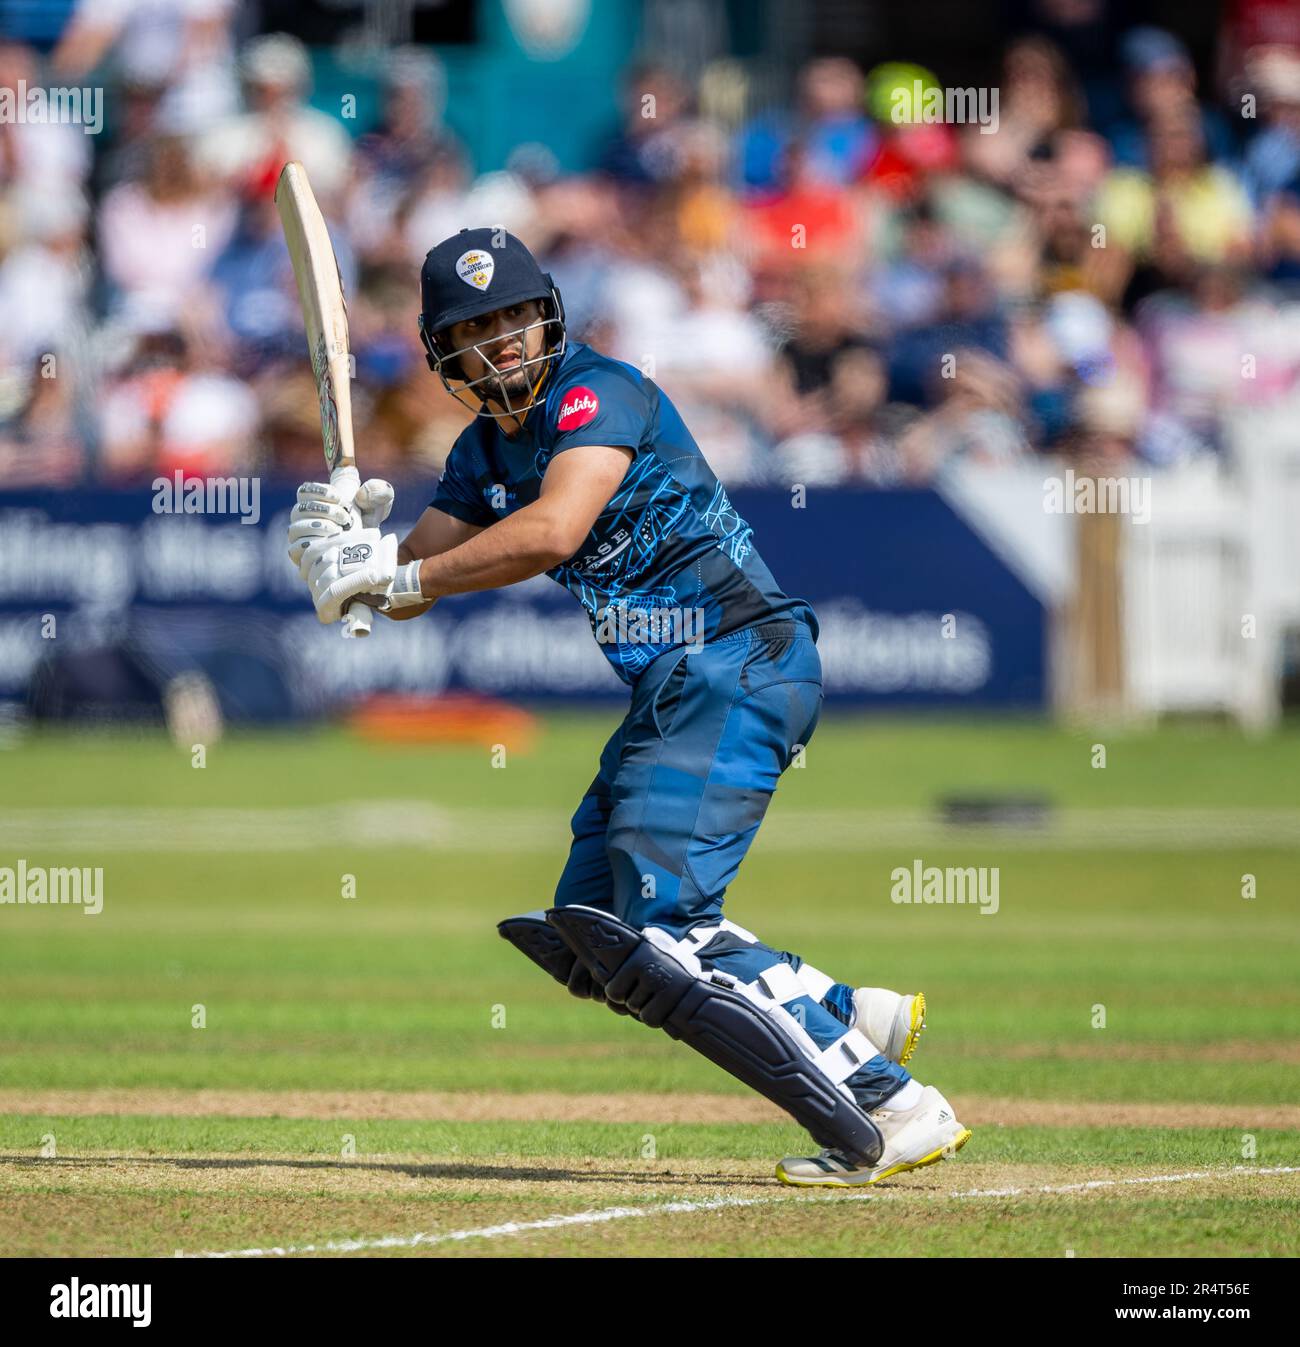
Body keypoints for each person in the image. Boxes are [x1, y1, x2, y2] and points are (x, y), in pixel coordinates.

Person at [284, 228, 972, 1187]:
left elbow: (552, 528)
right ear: (447, 353)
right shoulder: (482, 451)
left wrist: (397, 578)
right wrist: (345, 558)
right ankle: (843, 1005)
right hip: (677, 683)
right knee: (595, 924)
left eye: (515, 317)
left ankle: (895, 1105)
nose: (504, 342)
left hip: (735, 657)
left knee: (665, 934)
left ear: (549, 314)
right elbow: (413, 566)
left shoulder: (598, 391)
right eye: (476, 329)